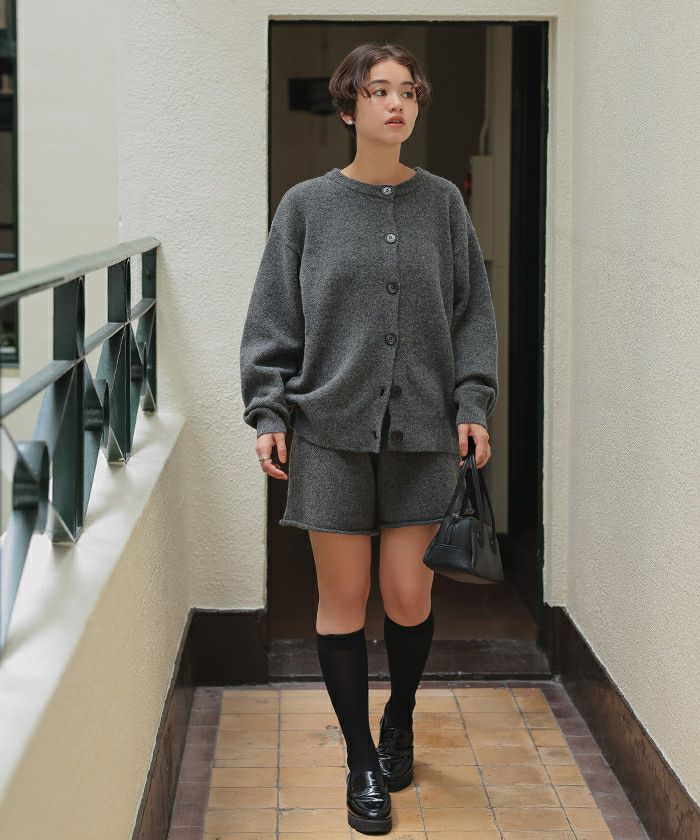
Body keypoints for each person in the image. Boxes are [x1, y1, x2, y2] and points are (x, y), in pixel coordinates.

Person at [239, 41, 498, 835]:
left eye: (408, 91)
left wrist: (473, 401)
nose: (397, 103)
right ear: (349, 107)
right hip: (329, 433)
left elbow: (472, 312)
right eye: (379, 91)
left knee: (408, 594)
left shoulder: (442, 205)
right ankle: (359, 760)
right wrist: (268, 412)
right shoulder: (306, 207)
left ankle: (401, 717)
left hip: (424, 433)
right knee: (343, 601)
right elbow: (273, 320)